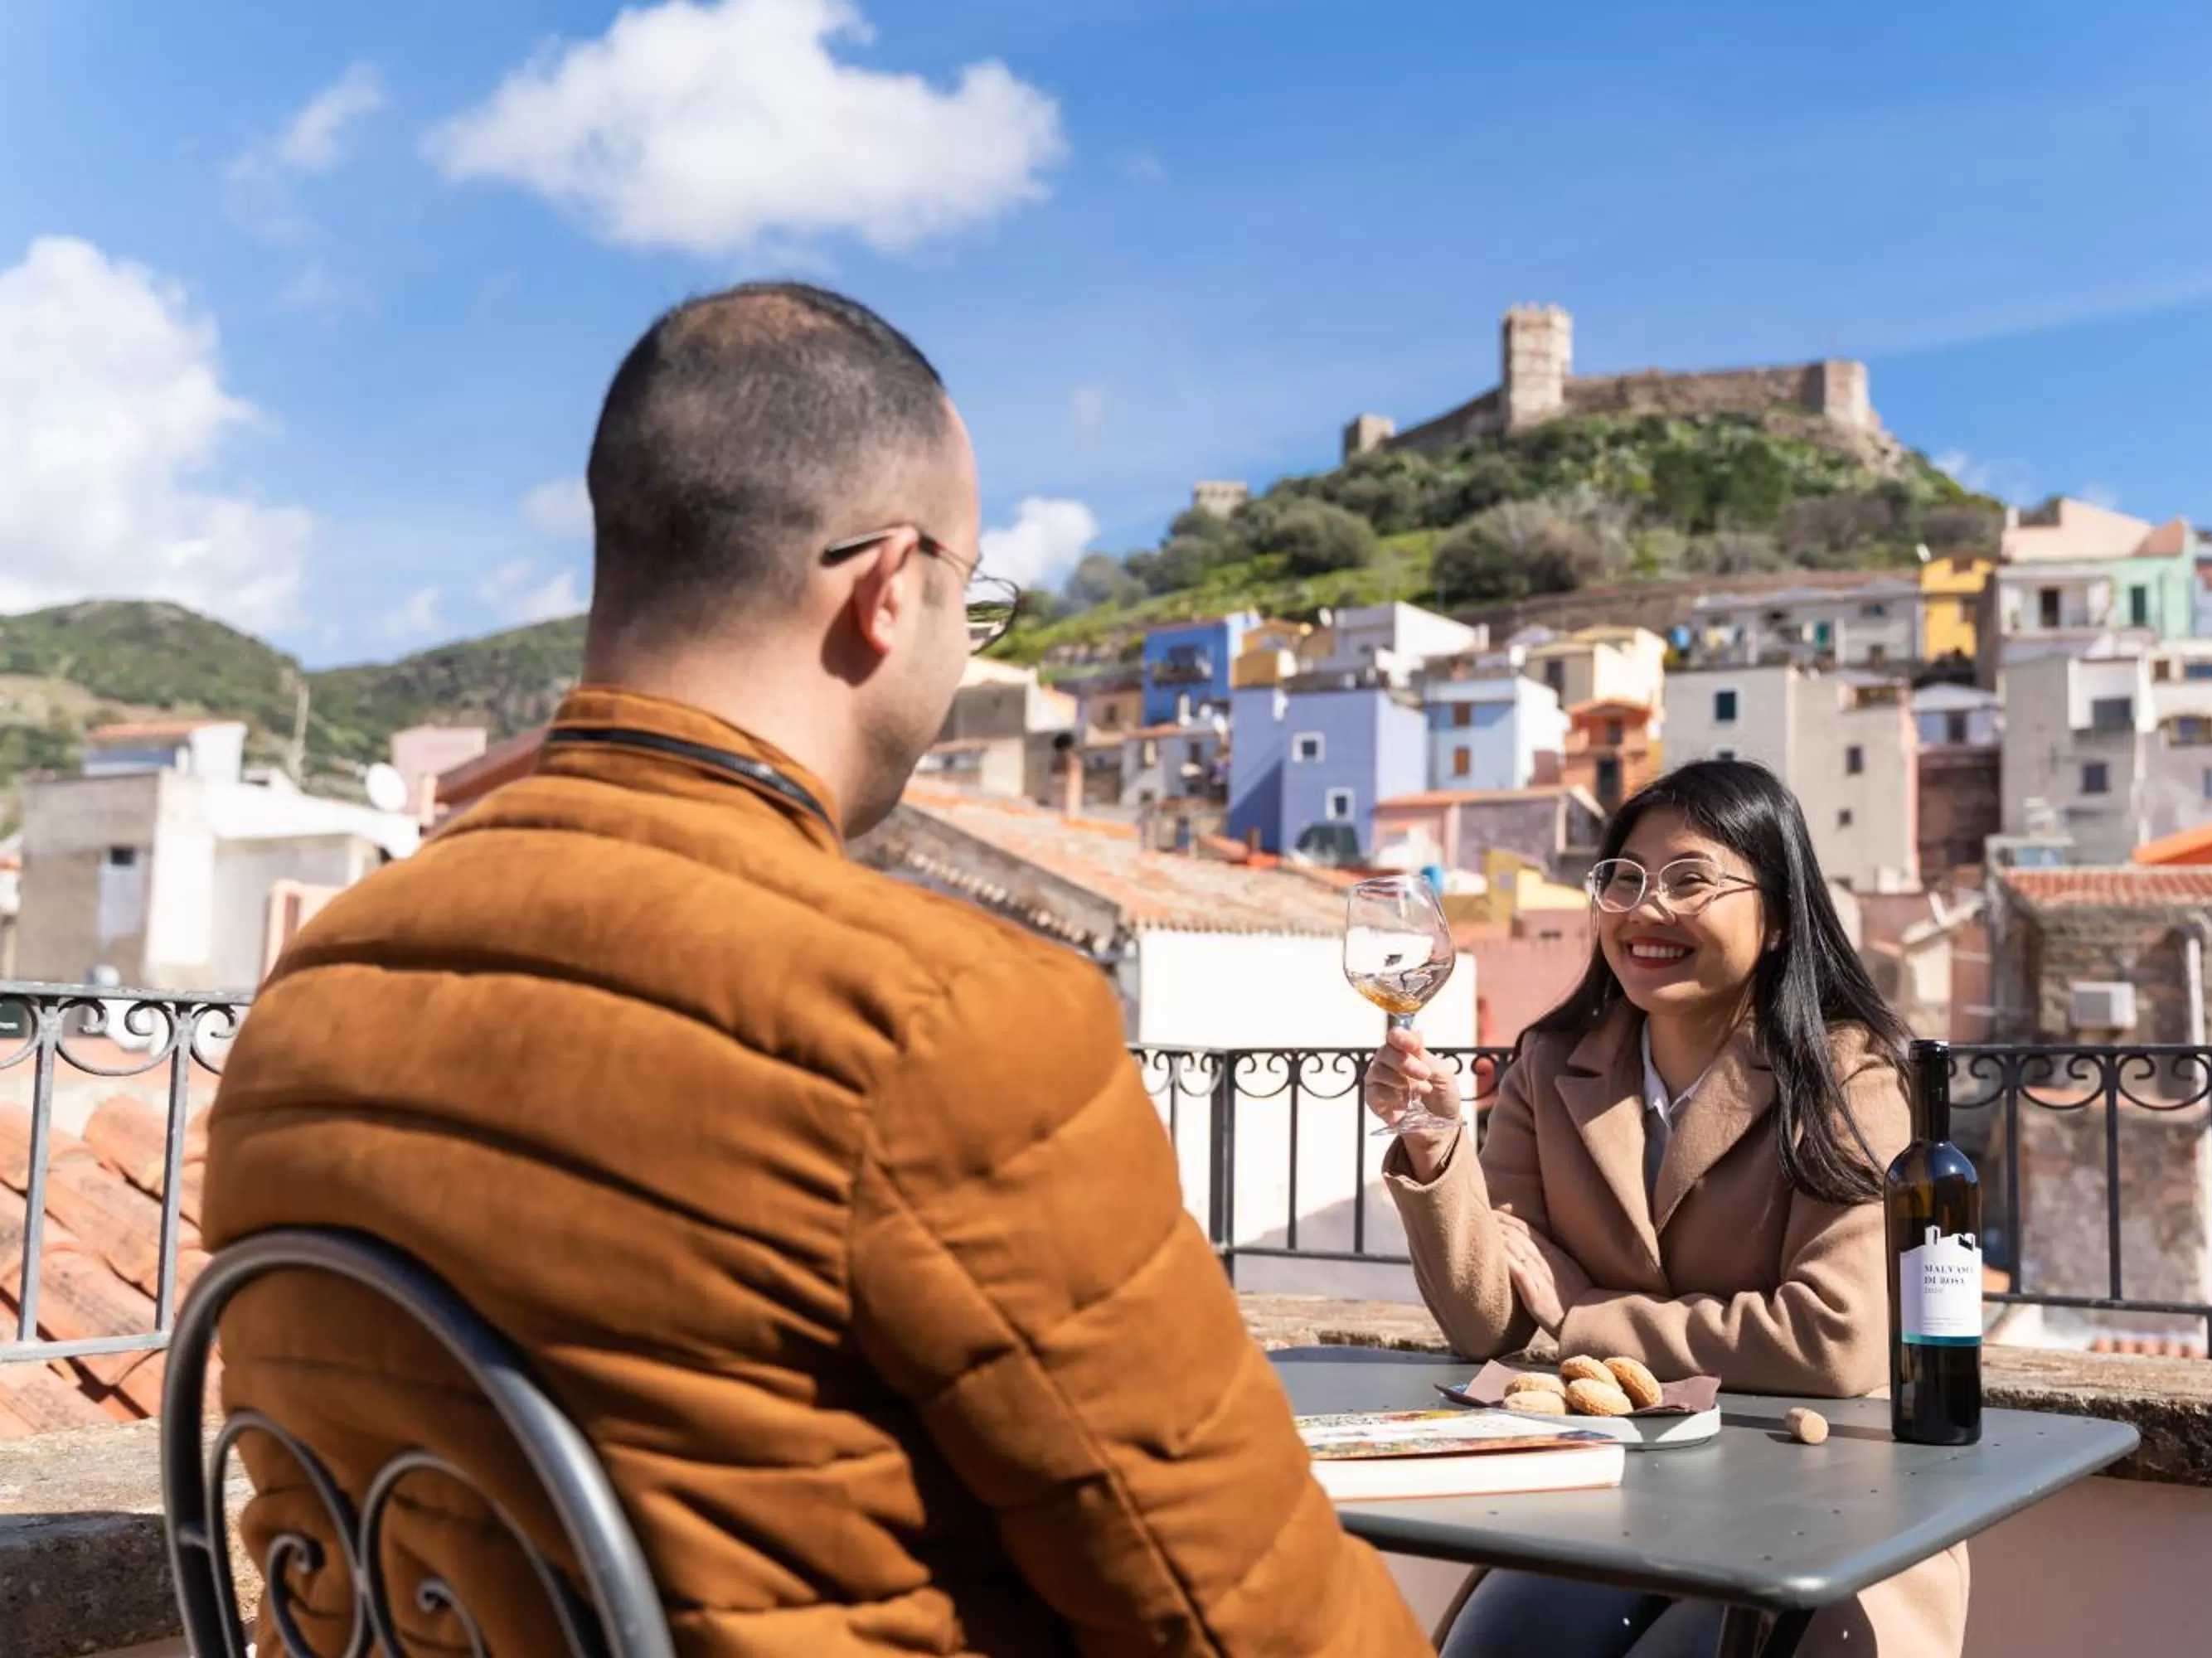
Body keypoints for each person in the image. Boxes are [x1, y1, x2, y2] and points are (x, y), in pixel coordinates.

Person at [202, 283, 1429, 1658]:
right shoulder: (938, 1017)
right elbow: (1243, 1618)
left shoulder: (305, 1002)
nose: (972, 644)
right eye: (983, 601)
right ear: (889, 591)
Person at [1366, 760, 1969, 1657]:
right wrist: (1435, 1150)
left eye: (1690, 880)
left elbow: (1834, 1338)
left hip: (1822, 1504)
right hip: (1608, 1496)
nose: (1648, 910)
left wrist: (1579, 1317)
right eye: (1625, 879)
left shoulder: (1843, 1077)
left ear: (1778, 919)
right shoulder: (1552, 1066)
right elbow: (1486, 1322)